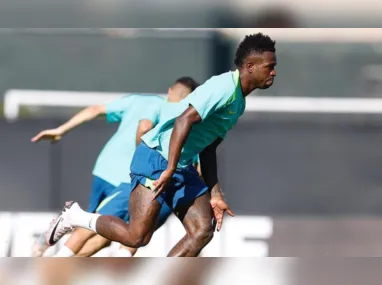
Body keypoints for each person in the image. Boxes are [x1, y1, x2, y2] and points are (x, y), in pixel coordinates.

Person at [46, 32, 277, 257]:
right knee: (137, 238)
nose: (273, 72)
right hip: (156, 159)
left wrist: (215, 194)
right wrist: (169, 168)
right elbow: (183, 120)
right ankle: (75, 217)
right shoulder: (224, 87)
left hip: (180, 166)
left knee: (202, 231)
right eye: (269, 66)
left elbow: (208, 147)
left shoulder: (239, 103)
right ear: (249, 66)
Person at [32, 77, 200, 257]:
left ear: (170, 91)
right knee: (98, 226)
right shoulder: (181, 118)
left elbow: (95, 109)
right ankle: (52, 261)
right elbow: (145, 126)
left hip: (104, 168)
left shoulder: (139, 99)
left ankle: (48, 250)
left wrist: (60, 130)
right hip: (130, 178)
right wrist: (142, 162)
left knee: (99, 227)